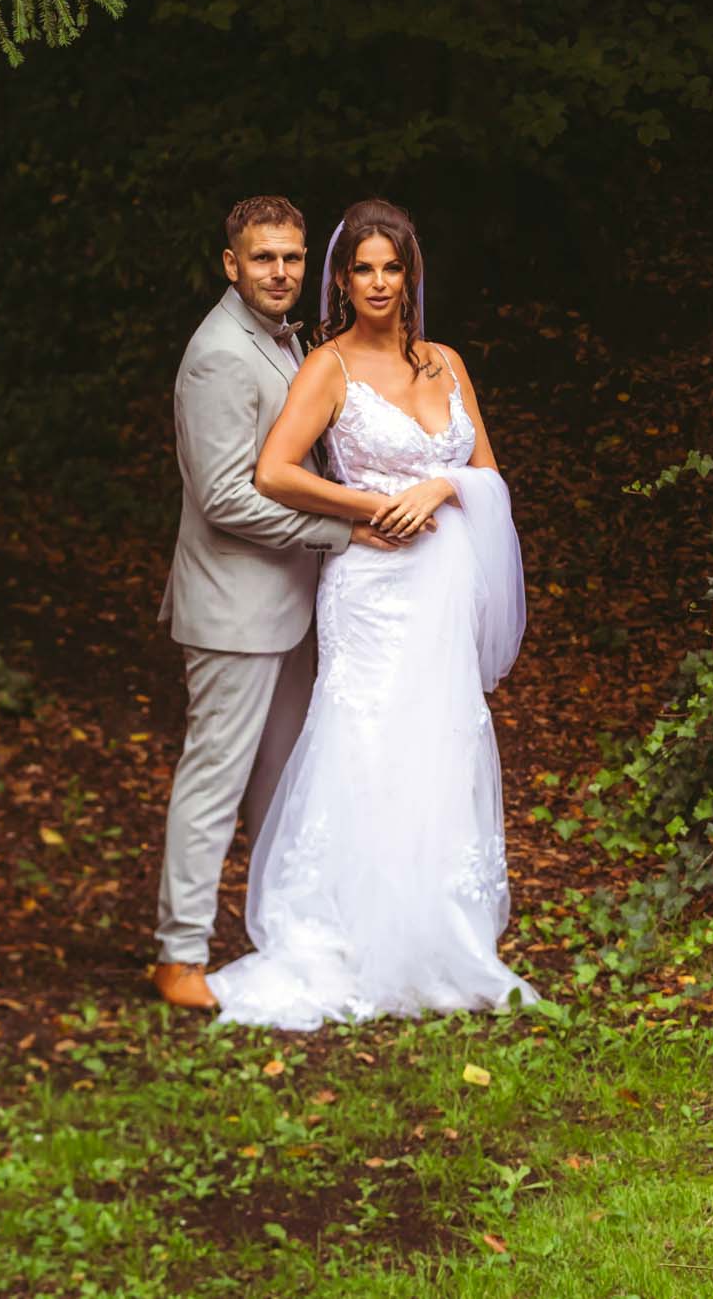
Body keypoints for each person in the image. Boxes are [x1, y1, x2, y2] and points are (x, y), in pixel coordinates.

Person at [203, 197, 539, 1030]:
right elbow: (275, 471)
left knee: (441, 739)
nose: (379, 282)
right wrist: (365, 505)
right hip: (371, 588)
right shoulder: (329, 365)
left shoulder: (449, 363)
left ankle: (438, 928)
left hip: (443, 586)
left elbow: (490, 478)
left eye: (392, 267)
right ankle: (350, 929)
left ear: (411, 273)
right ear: (342, 279)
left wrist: (441, 483)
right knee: (365, 740)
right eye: (363, 268)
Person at [150, 196, 411, 1009]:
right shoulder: (218, 355)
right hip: (232, 608)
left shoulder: (283, 339)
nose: (280, 272)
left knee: (285, 778)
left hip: (285, 604)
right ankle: (179, 955)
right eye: (263, 258)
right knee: (215, 780)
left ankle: (286, 928)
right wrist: (342, 527)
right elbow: (225, 497)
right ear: (231, 263)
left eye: (293, 258)